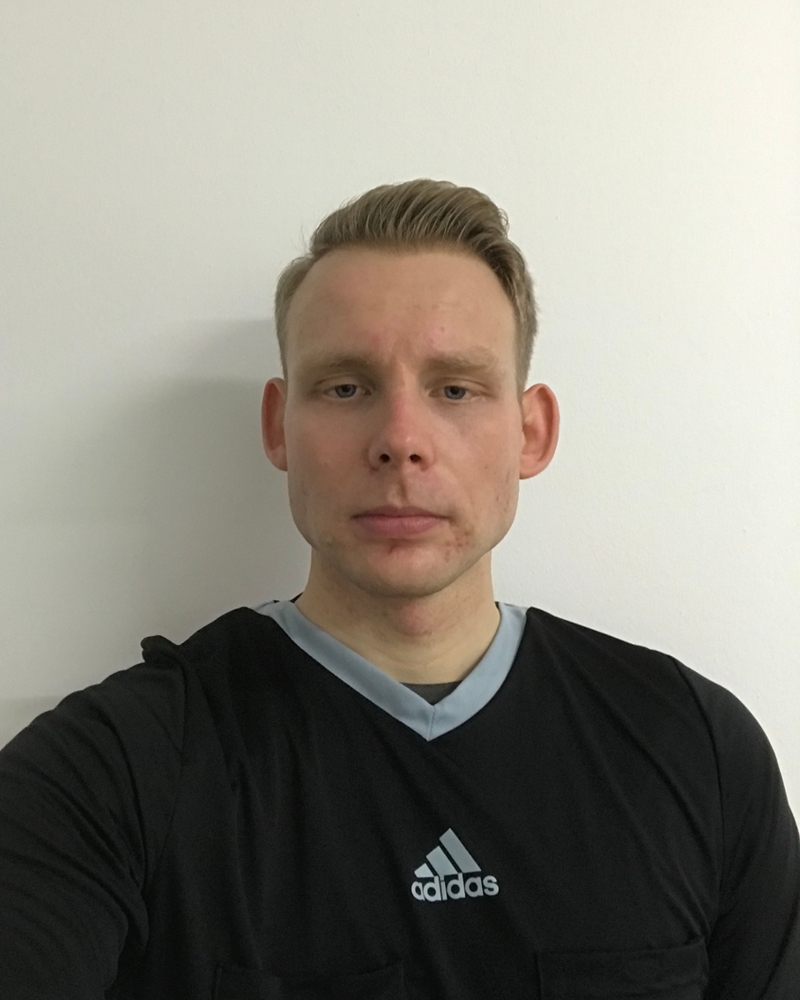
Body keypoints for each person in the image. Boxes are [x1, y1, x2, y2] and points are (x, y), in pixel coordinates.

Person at [0, 179, 797, 1000]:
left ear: (531, 432)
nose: (401, 440)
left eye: (455, 388)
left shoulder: (695, 751)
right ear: (279, 426)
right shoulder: (110, 773)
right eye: (346, 387)